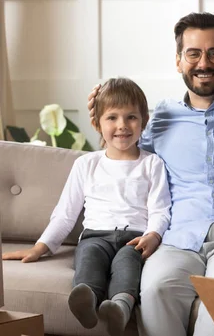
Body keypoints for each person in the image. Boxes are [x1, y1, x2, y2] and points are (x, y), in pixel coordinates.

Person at [87, 13, 214, 336]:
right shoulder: (162, 116)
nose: (204, 62)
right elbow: (123, 154)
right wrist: (103, 120)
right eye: (193, 53)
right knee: (154, 289)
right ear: (179, 61)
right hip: (178, 240)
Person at [3, 78, 171, 336]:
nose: (122, 126)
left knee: (127, 266)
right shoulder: (86, 164)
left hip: (134, 239)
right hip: (95, 236)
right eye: (112, 118)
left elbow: (160, 209)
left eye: (131, 117)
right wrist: (41, 247)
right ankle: (87, 300)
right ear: (97, 123)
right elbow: (65, 213)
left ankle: (120, 307)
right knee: (89, 260)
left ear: (144, 121)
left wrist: (153, 235)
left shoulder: (152, 164)